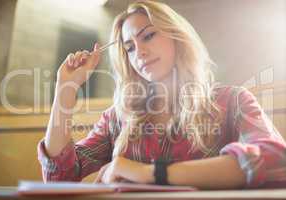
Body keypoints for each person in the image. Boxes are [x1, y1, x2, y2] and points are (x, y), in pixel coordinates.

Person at [38, 0, 286, 189]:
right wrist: (65, 88)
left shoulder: (231, 101)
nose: (140, 53)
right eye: (130, 48)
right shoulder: (118, 118)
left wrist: (148, 173)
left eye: (148, 36)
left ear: (176, 36)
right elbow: (60, 175)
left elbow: (275, 159)